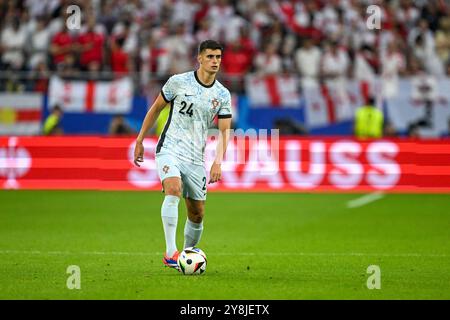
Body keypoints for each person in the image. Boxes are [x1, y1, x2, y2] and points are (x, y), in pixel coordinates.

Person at [133, 40, 232, 270]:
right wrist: (140, 139)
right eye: (210, 57)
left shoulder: (222, 94)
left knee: (197, 214)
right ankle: (170, 253)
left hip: (196, 158)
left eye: (218, 57)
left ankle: (186, 256)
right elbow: (156, 108)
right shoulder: (178, 82)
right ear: (199, 58)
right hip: (170, 149)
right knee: (173, 188)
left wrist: (218, 161)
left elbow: (225, 130)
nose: (215, 61)